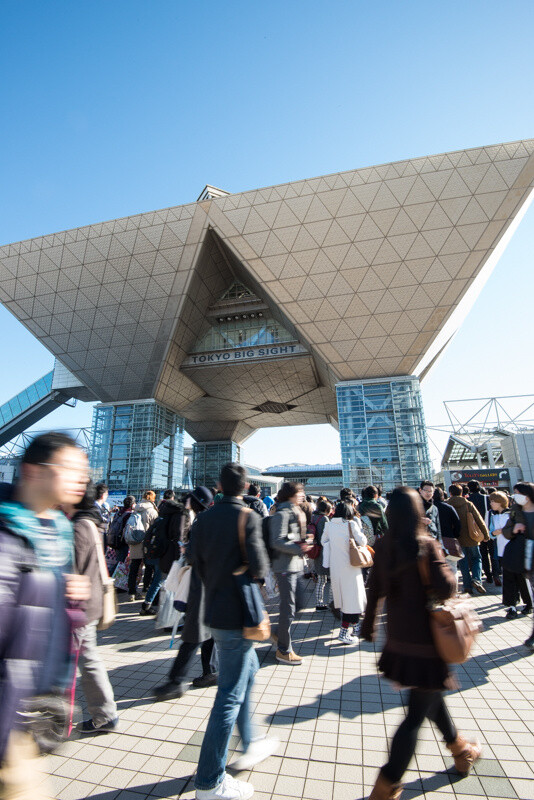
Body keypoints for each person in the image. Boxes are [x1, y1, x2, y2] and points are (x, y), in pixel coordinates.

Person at [361, 487, 481, 800]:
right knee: (416, 715)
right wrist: (446, 564)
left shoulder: (384, 544)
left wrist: (368, 625)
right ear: (418, 513)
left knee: (428, 696)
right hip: (427, 643)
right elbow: (444, 589)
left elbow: (374, 589)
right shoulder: (426, 544)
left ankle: (460, 748)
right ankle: (386, 784)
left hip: (399, 640)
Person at [0, 432, 90, 799]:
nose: (81, 479)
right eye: (70, 468)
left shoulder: (54, 531)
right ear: (32, 473)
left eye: (84, 471)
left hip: (30, 712)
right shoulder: (7, 539)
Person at [191, 463, 276, 800]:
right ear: (246, 487)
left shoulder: (203, 518)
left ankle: (252, 740)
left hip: (213, 609)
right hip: (240, 615)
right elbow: (260, 567)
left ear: (219, 486)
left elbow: (196, 564)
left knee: (247, 674)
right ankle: (209, 782)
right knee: (228, 694)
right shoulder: (248, 517)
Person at [153, 487, 217, 701]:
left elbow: (194, 553)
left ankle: (176, 681)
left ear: (196, 501)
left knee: (193, 633)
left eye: (190, 498)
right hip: (212, 584)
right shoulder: (208, 519)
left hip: (200, 583)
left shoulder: (201, 521)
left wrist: (186, 550)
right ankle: (209, 671)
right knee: (206, 631)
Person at [66, 480, 119, 734]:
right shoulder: (92, 523)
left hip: (78, 608)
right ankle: (104, 713)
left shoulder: (77, 527)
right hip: (89, 603)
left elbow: (71, 570)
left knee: (86, 662)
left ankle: (104, 715)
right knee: (88, 660)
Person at [270, 481, 311, 666]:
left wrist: (303, 541)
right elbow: (276, 541)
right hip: (285, 566)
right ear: (291, 494)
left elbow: (289, 537)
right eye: (299, 492)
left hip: (294, 565)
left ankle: (278, 633)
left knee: (297, 604)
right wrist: (298, 547)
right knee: (288, 608)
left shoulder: (295, 510)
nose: (302, 494)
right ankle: (283, 650)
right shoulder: (282, 513)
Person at [321, 501, 367, 643]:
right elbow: (363, 541)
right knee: (352, 599)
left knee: (344, 598)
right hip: (351, 566)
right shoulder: (351, 524)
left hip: (336, 566)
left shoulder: (329, 525)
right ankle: (344, 632)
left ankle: (356, 626)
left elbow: (324, 541)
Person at [503, 482, 534, 651]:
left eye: (517, 493)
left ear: (528, 494)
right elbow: (507, 531)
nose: (515, 496)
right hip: (523, 556)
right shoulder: (516, 510)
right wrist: (514, 529)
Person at [489, 491, 531, 618]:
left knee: (522, 579)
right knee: (508, 580)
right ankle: (511, 606)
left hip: (517, 551)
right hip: (502, 551)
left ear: (501, 502)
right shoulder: (493, 516)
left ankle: (529, 604)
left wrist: (505, 531)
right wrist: (495, 533)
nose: (491, 503)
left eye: (493, 501)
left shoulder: (512, 514)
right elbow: (491, 533)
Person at [446, 484, 489, 595]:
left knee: (463, 562)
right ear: (462, 493)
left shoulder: (447, 504)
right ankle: (476, 579)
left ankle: (467, 586)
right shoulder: (468, 504)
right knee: (476, 558)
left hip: (457, 539)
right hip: (472, 537)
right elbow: (479, 520)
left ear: (450, 493)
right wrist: (485, 534)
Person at [468, 481, 500, 586]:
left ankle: (488, 576)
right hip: (490, 530)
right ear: (478, 487)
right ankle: (496, 574)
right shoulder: (487, 499)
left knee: (482, 554)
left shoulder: (468, 501)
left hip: (476, 532)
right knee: (493, 553)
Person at [135, 491, 160, 614]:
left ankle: (132, 591)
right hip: (148, 543)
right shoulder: (152, 511)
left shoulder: (136, 507)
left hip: (135, 541)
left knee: (135, 566)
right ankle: (146, 589)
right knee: (151, 570)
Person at [433, 487, 461, 586]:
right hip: (449, 539)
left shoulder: (427, 508)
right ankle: (453, 591)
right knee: (452, 567)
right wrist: (454, 535)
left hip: (433, 542)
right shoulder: (448, 507)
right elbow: (458, 524)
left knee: (435, 569)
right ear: (442, 495)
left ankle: (440, 593)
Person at [311, 499, 332, 609]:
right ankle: (330, 603)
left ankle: (319, 603)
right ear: (326, 509)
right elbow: (327, 536)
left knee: (321, 579)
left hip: (316, 551)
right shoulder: (324, 519)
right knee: (328, 579)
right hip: (325, 552)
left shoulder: (313, 517)